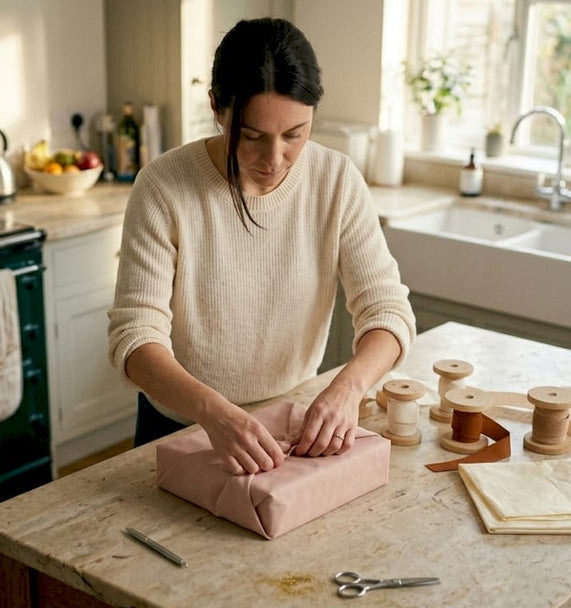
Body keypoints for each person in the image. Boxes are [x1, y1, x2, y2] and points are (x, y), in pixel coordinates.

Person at [107, 17, 415, 475]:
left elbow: (387, 311)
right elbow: (134, 337)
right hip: (181, 425)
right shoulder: (163, 187)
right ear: (217, 107)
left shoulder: (336, 181)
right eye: (252, 136)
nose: (274, 160)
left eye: (294, 134)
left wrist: (349, 388)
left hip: (292, 424)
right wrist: (213, 411)